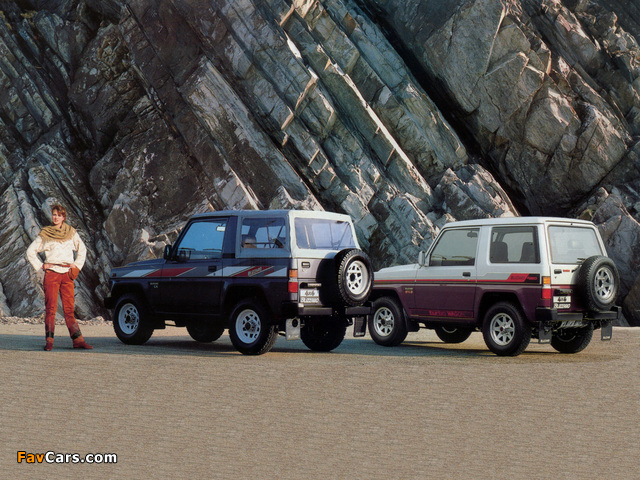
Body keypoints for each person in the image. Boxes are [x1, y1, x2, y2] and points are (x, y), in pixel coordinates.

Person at [26, 204, 92, 351]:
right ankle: (49, 341)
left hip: (67, 274)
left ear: (63, 217)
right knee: (51, 308)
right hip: (52, 274)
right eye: (54, 215)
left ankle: (78, 341)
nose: (56, 217)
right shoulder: (46, 233)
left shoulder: (71, 232)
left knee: (69, 309)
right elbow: (30, 251)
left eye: (59, 215)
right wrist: (41, 265)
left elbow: (82, 249)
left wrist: (76, 266)